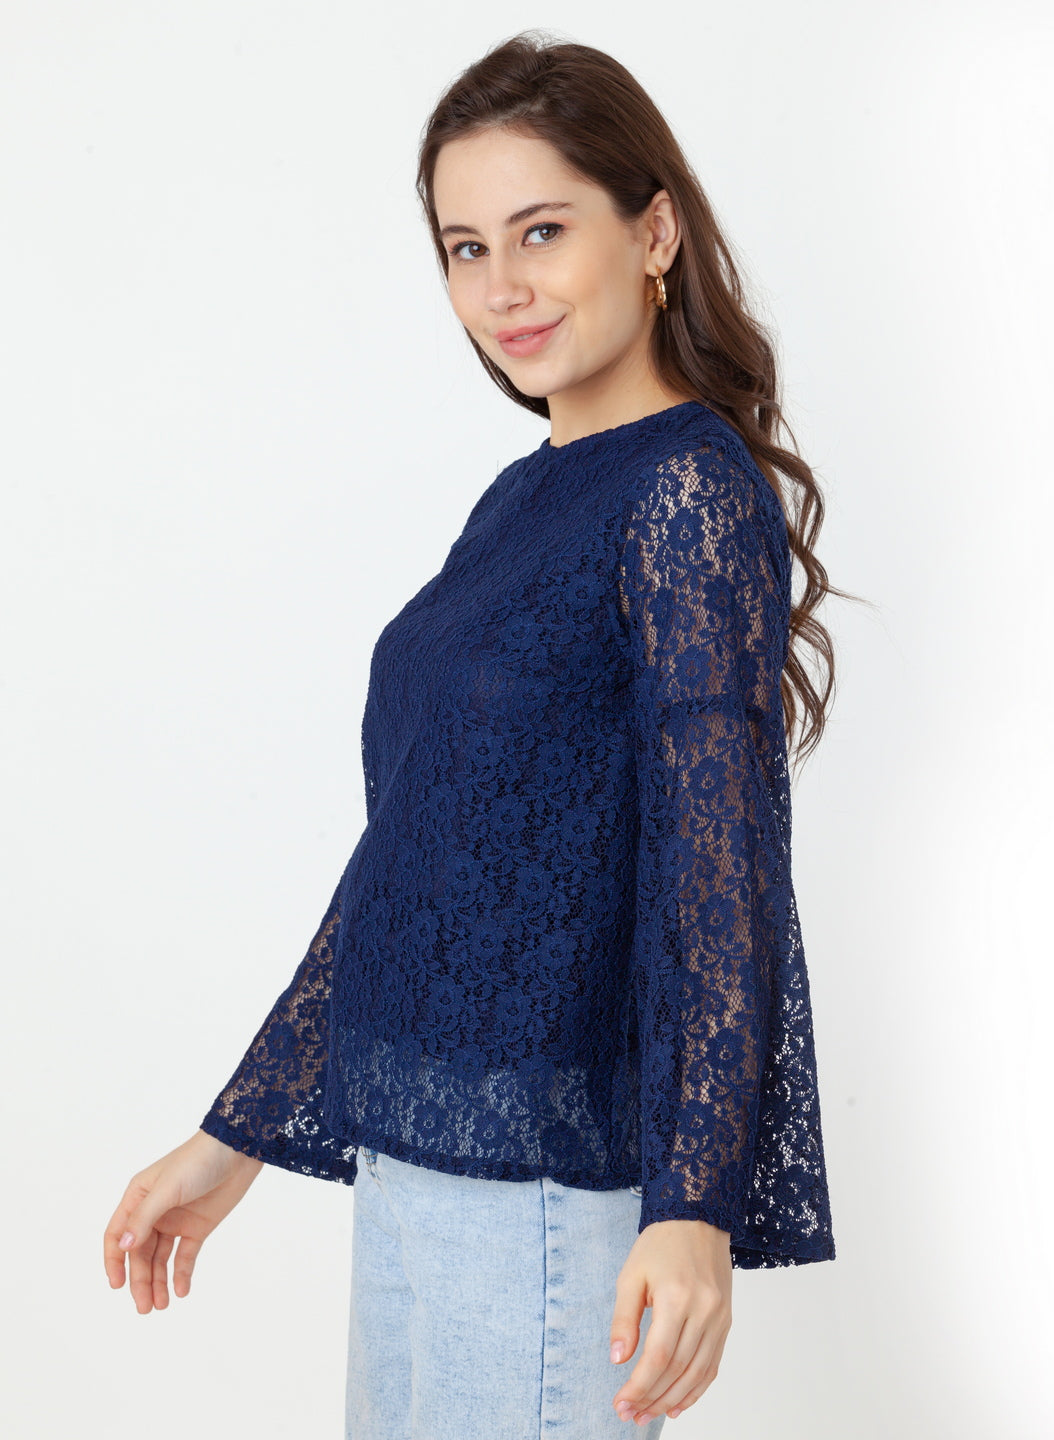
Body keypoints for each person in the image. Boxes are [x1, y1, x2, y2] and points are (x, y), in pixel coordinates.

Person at [103, 29, 848, 1438]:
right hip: (416, 1172)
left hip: (546, 1203)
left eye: (542, 231)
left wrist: (692, 1204)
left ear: (655, 233)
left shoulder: (687, 494)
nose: (501, 287)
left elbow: (720, 869)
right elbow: (416, 862)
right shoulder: (522, 499)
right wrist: (234, 1136)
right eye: (465, 248)